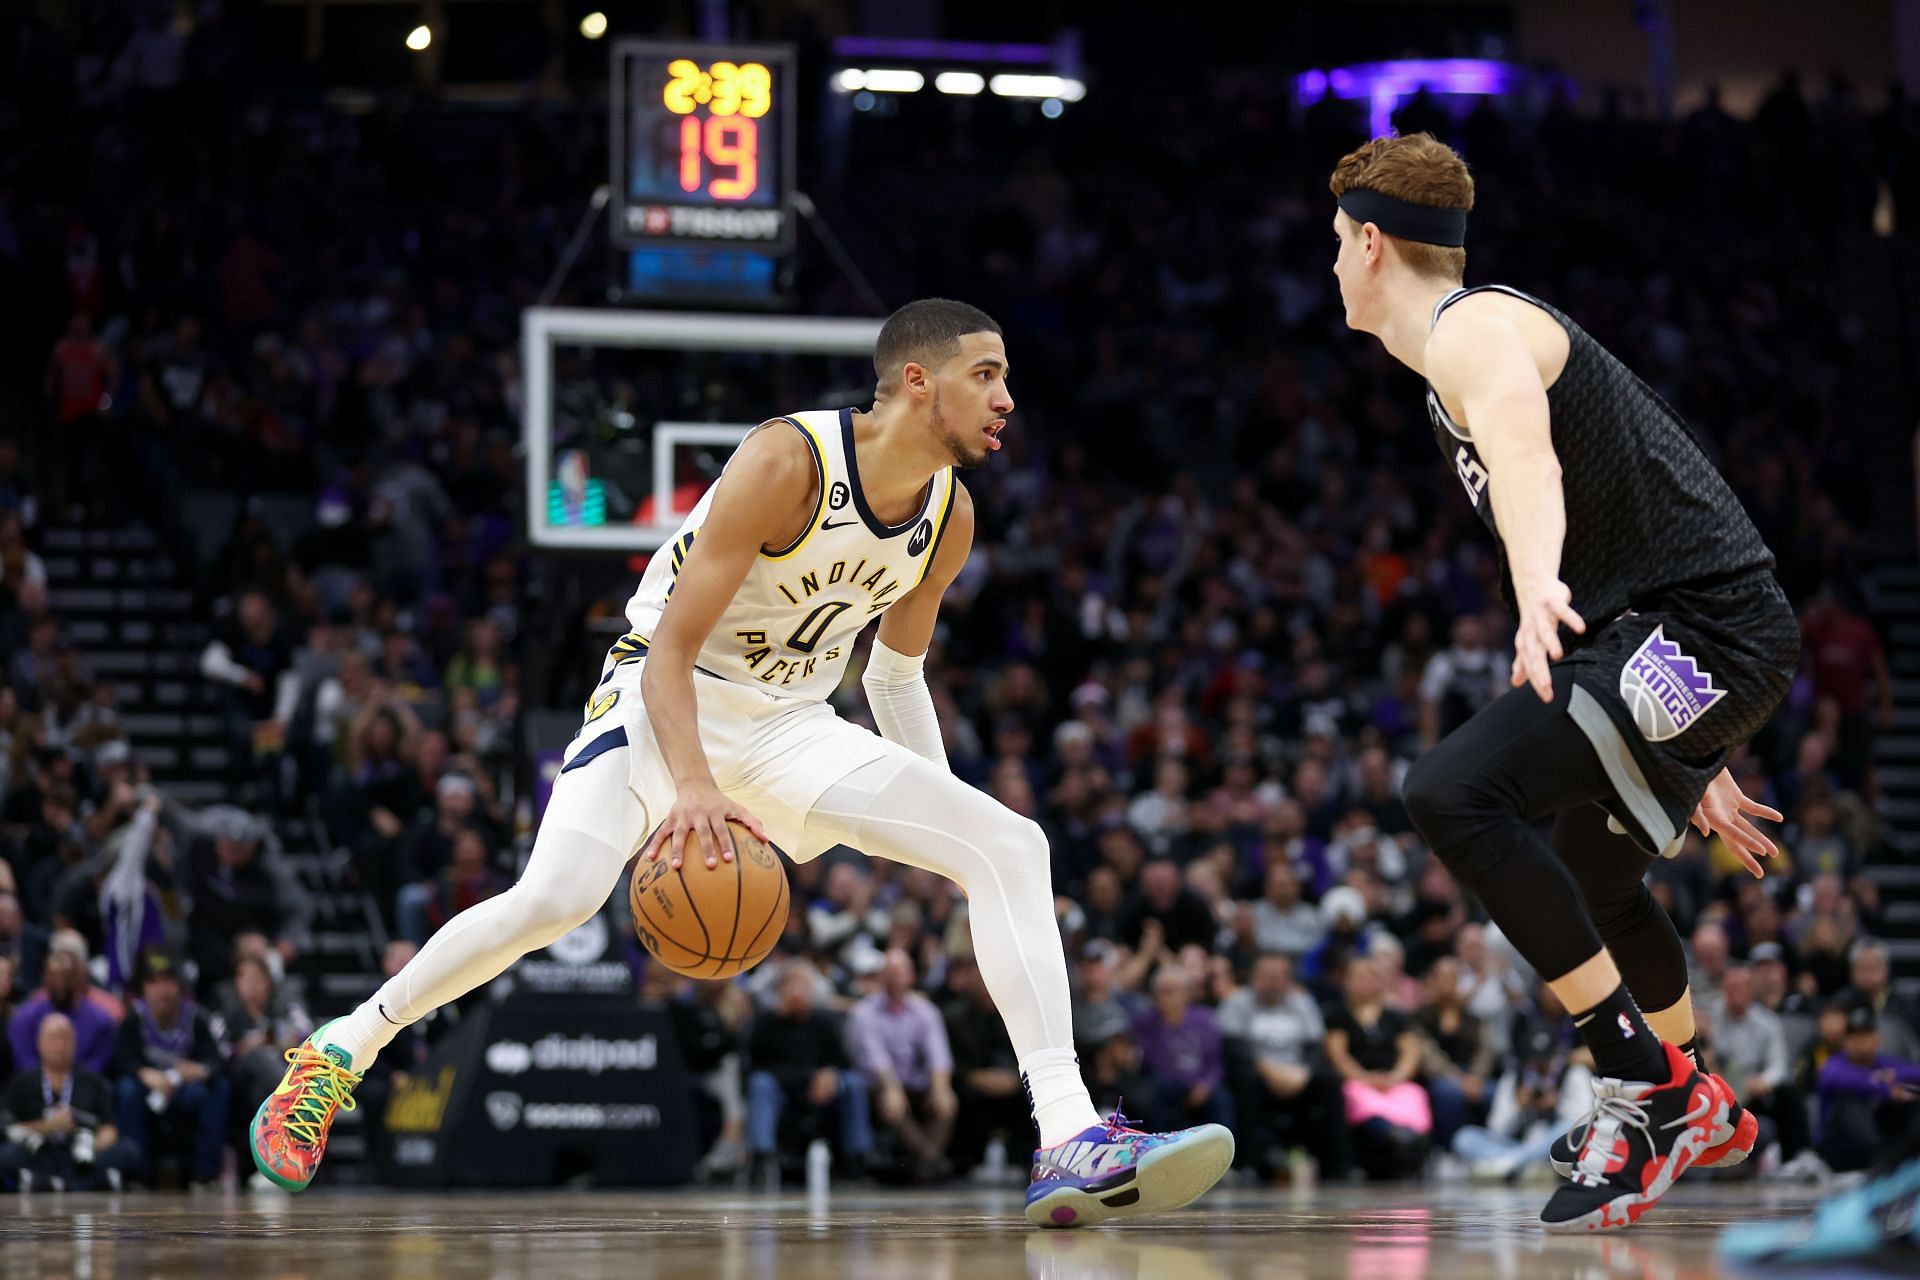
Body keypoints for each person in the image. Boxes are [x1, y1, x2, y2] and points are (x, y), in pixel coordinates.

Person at [252, 299, 1233, 1227]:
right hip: (661, 696)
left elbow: (894, 677)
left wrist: (944, 822)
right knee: (555, 897)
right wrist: (693, 789)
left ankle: (1067, 1135)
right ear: (917, 381)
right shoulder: (787, 460)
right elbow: (672, 649)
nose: (1008, 398)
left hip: (789, 721)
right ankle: (341, 1048)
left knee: (1009, 843)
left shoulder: (950, 516)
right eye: (988, 375)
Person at [1329, 133, 1798, 1230]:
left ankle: (1645, 1081)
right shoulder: (1452, 354)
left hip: (1693, 630)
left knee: (1448, 790)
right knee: (1594, 862)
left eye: (1334, 246)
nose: (1333, 268)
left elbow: (1531, 460)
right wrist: (1698, 737)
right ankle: (1691, 1098)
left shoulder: (1473, 327)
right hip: (1690, 644)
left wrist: (1537, 587)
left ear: (1369, 241)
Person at [1218, 951, 1349, 1180]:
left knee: (1330, 1081)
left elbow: (1316, 1046)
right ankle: (1249, 1164)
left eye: (1278, 976)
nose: (1272, 982)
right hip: (1257, 1072)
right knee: (1245, 1081)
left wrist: (1304, 1072)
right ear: (1253, 976)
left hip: (1297, 1074)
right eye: (1266, 975)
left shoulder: (1302, 1002)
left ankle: (1337, 1166)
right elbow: (1233, 1048)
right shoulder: (1236, 1002)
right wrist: (1267, 1070)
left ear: (1289, 979)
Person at [746, 961, 872, 1179]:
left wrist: (830, 1074)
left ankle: (858, 1156)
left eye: (803, 985)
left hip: (822, 1089)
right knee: (760, 1084)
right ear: (780, 990)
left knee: (853, 1083)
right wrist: (808, 1077)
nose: (798, 991)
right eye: (791, 985)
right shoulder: (766, 1023)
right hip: (783, 1088)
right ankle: (761, 1157)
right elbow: (755, 1064)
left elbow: (842, 1061)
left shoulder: (825, 1021)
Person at [112, 952, 228, 1187]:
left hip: (185, 1088)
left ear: (179, 987)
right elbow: (119, 1060)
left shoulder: (196, 1017)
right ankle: (136, 1175)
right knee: (126, 1090)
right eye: (155, 982)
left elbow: (217, 1059)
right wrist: (144, 1074)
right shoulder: (134, 1018)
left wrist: (201, 1070)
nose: (162, 990)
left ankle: (205, 1176)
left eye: (169, 982)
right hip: (149, 1088)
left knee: (219, 1089)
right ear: (144, 988)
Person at [0, 1013, 140, 1191]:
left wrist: (91, 1146)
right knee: (6, 1154)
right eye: (52, 1039)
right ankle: (93, 1183)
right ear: (39, 1043)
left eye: (65, 1038)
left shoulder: (93, 1081)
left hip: (83, 1156)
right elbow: (9, 1127)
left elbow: (109, 1128)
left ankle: (48, 1184)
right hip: (40, 1153)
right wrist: (47, 1126)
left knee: (129, 1152)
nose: (59, 1046)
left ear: (75, 1043)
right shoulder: (22, 1081)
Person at [1815, 1005, 1920, 1174]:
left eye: (1866, 1035)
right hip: (1838, 1153)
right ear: (1844, 1041)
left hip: (1882, 1148)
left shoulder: (1885, 1066)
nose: (1861, 1042)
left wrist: (1895, 1076)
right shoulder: (1834, 1065)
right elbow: (1834, 1077)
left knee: (1909, 1103)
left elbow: (1916, 1072)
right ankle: (1880, 1157)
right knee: (1849, 1102)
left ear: (1877, 1038)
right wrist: (1885, 1088)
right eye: (1855, 1036)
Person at [7, 950, 117, 1076]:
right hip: (35, 1088)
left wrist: (70, 1084)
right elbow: (25, 1063)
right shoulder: (24, 1018)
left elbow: (98, 1064)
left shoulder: (101, 1021)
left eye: (66, 976)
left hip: (84, 1087)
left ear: (79, 979)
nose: (60, 983)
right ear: (45, 978)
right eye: (54, 976)